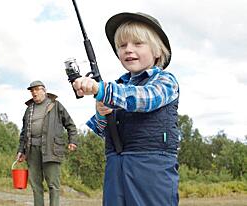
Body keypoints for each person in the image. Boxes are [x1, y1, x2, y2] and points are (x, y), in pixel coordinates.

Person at [72, 12, 180, 205]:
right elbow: (102, 130)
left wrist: (102, 90)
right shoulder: (117, 87)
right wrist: (102, 112)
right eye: (122, 45)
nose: (128, 49)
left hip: (151, 166)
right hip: (116, 165)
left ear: (157, 52)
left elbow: (146, 99)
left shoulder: (165, 80)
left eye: (138, 43)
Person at [17, 80, 78, 206]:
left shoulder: (55, 105)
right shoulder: (29, 109)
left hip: (51, 149)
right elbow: (23, 133)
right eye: (32, 90)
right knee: (35, 183)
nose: (34, 92)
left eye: (37, 89)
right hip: (32, 150)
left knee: (53, 184)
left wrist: (73, 141)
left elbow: (70, 125)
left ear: (44, 90)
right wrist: (21, 151)